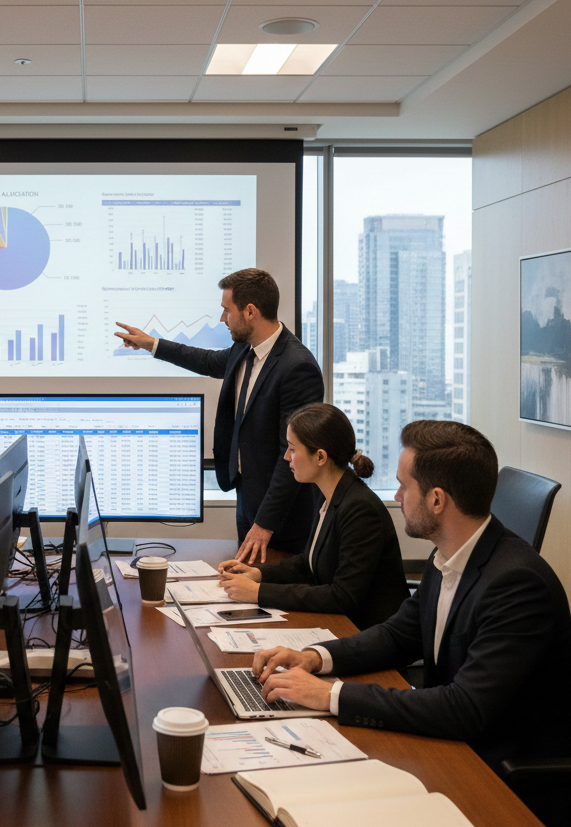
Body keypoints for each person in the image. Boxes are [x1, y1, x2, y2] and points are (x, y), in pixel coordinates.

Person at [251, 420, 571, 774]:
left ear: (436, 500)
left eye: (404, 486)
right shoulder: (448, 552)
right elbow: (399, 634)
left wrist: (330, 695)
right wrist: (314, 658)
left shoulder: (518, 585)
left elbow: (464, 709)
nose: (396, 497)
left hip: (499, 772)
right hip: (447, 744)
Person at [116, 268, 323, 561]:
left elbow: (289, 456)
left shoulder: (297, 368)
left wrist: (265, 524)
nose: (223, 318)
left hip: (283, 520)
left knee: (279, 598)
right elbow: (208, 361)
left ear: (250, 311)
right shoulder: (245, 348)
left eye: (227, 310)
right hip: (247, 499)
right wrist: (151, 344)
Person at [217, 403, 408, 630]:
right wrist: (257, 574)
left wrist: (259, 592)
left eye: (292, 449)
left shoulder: (360, 509)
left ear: (320, 457)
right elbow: (309, 562)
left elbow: (342, 596)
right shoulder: (325, 491)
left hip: (365, 633)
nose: (287, 457)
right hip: (339, 624)